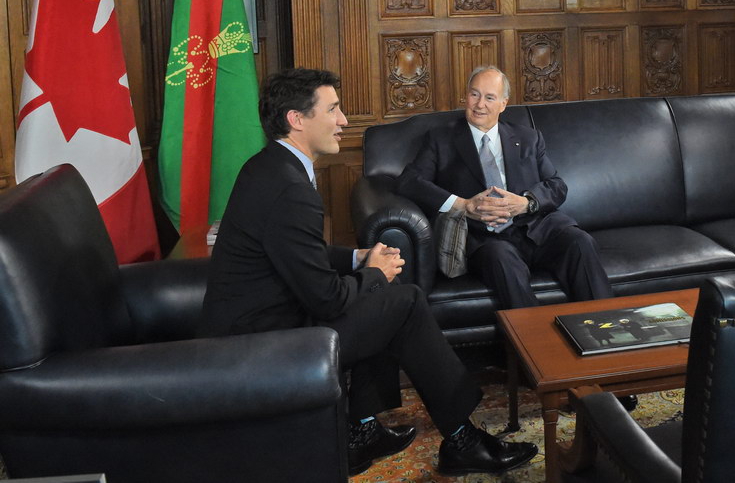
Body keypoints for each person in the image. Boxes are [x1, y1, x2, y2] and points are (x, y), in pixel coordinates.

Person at [199, 68, 537, 477]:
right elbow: (327, 299)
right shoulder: (290, 189)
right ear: (297, 119)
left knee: (388, 298)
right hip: (266, 340)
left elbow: (298, 254)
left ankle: (361, 431)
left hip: (264, 319)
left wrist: (357, 259)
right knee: (403, 301)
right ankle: (459, 440)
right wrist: (374, 274)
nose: (343, 121)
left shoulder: (269, 167)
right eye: (334, 109)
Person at [396, 65, 614, 311]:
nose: (480, 104)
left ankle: (609, 330)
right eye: (474, 94)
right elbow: (409, 182)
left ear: (503, 103)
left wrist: (526, 202)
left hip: (535, 230)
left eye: (490, 97)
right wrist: (463, 205)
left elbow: (556, 186)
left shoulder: (529, 138)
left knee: (579, 241)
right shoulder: (441, 138)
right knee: (502, 259)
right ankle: (535, 341)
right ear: (465, 96)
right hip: (486, 238)